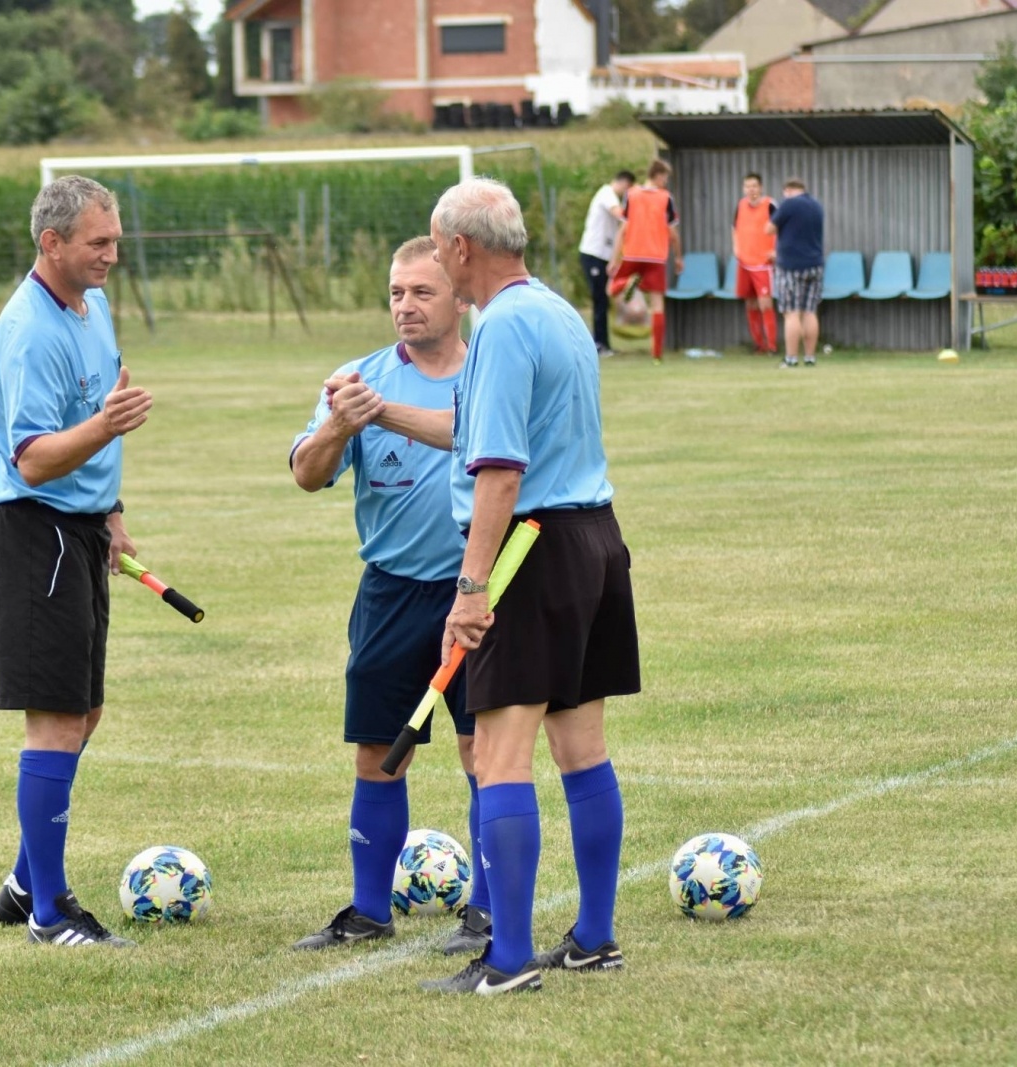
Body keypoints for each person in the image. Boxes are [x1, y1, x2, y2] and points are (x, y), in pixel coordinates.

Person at [421, 177, 642, 995]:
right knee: (582, 748)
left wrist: (471, 586)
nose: (440, 257)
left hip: (531, 550)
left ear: (461, 248)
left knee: (503, 752)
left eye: (440, 246)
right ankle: (594, 936)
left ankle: (507, 958)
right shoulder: (552, 308)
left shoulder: (506, 325)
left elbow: (502, 471)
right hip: (595, 538)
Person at [287, 236, 493, 958]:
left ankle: (487, 911)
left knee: (484, 750)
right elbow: (307, 474)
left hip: (478, 593)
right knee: (378, 751)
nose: (406, 305)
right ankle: (370, 910)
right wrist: (339, 425)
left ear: (460, 297)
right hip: (391, 593)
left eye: (422, 292)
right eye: (396, 293)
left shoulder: (488, 371)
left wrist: (379, 416)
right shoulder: (358, 380)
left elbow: (480, 443)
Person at [0, 175, 153, 948]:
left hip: (80, 530)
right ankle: (51, 913)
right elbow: (33, 459)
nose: (113, 254)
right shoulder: (29, 330)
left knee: (84, 710)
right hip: (37, 532)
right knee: (53, 719)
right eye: (99, 242)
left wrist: (111, 510)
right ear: (51, 243)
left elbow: (86, 445)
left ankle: (25, 881)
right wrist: (106, 426)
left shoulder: (95, 306)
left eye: (115, 239)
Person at [607, 159, 680, 362]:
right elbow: (673, 233)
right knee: (658, 304)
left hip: (632, 253)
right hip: (657, 256)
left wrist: (614, 259)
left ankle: (627, 283)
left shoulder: (631, 194)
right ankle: (657, 354)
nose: (666, 181)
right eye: (665, 176)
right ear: (658, 175)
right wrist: (679, 257)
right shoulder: (666, 198)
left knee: (611, 288)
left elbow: (623, 229)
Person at [767, 179, 825, 369]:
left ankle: (791, 358)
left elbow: (768, 229)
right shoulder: (817, 206)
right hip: (815, 265)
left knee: (791, 313)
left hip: (791, 267)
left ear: (788, 190)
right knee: (809, 311)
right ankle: (810, 358)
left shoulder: (789, 204)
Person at [577, 170, 636, 357]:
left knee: (603, 299)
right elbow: (620, 214)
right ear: (623, 182)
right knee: (599, 299)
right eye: (627, 189)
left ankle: (604, 343)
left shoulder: (612, 197)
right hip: (593, 254)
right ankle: (599, 344)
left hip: (603, 256)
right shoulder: (606, 193)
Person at [733, 173, 779, 354]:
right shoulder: (740, 205)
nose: (751, 190)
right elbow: (734, 228)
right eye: (747, 186)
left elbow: (782, 226)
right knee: (750, 304)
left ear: (760, 188)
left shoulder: (770, 205)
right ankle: (758, 345)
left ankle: (772, 346)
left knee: (765, 304)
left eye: (754, 186)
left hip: (763, 263)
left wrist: (777, 250)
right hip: (744, 262)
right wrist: (736, 248)